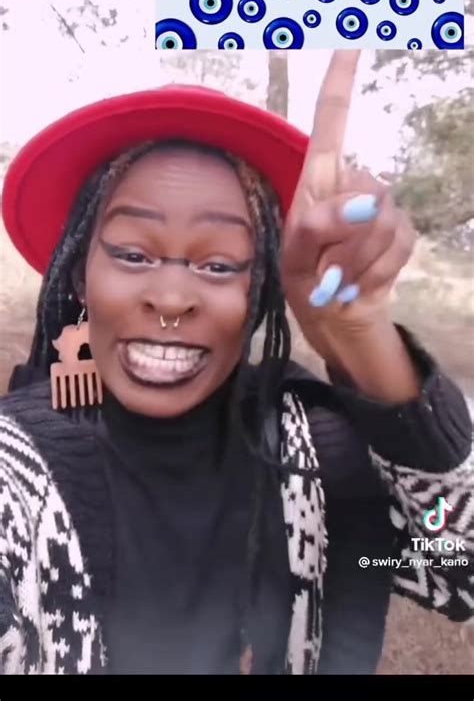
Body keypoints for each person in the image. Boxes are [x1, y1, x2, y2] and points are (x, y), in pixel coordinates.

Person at [0, 52, 472, 676]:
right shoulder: (17, 468)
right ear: (80, 275)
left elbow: (457, 569)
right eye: (134, 255)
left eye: (219, 265)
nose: (171, 299)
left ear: (260, 289)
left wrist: (361, 338)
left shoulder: (318, 453)